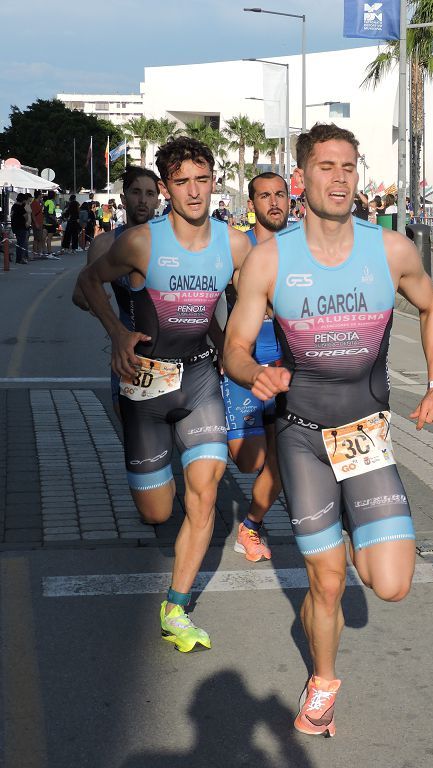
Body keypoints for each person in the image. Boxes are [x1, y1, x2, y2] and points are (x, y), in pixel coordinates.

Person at [222, 123, 433, 737]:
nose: (340, 176)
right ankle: (322, 682)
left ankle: (348, 536)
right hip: (301, 439)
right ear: (303, 179)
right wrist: (256, 374)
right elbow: (234, 349)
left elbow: (432, 307)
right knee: (327, 582)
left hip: (365, 436)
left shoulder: (391, 249)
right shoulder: (272, 259)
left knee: (391, 584)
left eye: (348, 165)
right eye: (326, 166)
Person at [76, 137, 253, 653]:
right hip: (145, 386)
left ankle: (175, 606)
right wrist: (116, 332)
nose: (194, 192)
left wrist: (233, 345)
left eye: (202, 179)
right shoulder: (139, 243)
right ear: (166, 188)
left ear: (214, 180)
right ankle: (159, 476)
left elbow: (247, 298)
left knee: (206, 494)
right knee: (158, 511)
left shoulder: (234, 244)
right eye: (182, 182)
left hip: (200, 380)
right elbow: (87, 283)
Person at [220, 171, 289, 562]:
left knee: (282, 460)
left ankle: (251, 526)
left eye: (280, 194)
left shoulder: (298, 247)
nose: (274, 202)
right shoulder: (237, 246)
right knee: (251, 460)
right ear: (252, 204)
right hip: (245, 365)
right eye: (264, 196)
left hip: (285, 367)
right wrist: (218, 344)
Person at [72, 166, 163, 421]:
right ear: (123, 199)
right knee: (133, 431)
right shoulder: (105, 244)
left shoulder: (168, 241)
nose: (143, 200)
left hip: (171, 350)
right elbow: (80, 293)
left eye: (149, 193)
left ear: (158, 199)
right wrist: (98, 306)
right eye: (136, 192)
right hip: (128, 351)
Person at [10, 193, 30, 264]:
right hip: (21, 227)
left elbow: (11, 215)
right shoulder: (20, 207)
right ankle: (19, 259)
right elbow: (26, 216)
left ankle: (19, 258)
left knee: (19, 243)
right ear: (23, 200)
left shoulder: (14, 206)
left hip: (14, 227)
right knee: (21, 243)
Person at [43, 191, 60, 257]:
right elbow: (51, 214)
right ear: (54, 196)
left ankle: (44, 251)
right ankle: (49, 252)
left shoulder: (46, 202)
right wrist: (56, 220)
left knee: (44, 238)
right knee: (49, 238)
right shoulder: (51, 202)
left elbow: (44, 212)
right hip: (50, 223)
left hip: (45, 222)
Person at [30, 190, 45, 259]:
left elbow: (39, 211)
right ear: (39, 195)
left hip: (40, 222)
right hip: (37, 223)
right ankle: (35, 253)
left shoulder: (38, 203)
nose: (42, 195)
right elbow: (33, 214)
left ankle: (39, 252)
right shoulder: (34, 203)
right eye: (41, 194)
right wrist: (36, 223)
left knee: (40, 238)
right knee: (36, 238)